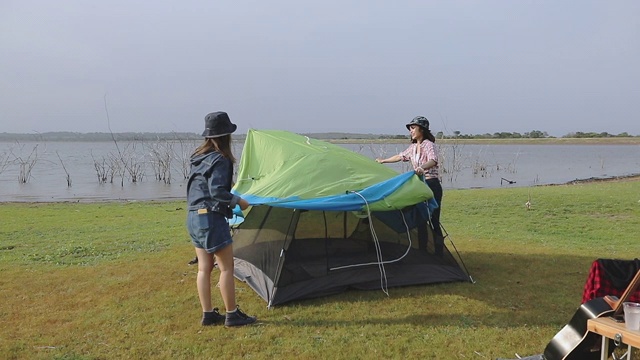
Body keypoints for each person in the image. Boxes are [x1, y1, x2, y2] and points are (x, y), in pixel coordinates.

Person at [186, 111, 257, 327]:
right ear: (226, 135)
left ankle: (208, 314)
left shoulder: (198, 158)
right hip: (210, 218)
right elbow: (217, 191)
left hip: (193, 218)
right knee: (226, 268)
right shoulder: (220, 159)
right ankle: (232, 314)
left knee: (203, 268)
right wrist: (238, 201)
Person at [375, 116, 445, 256]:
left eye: (413, 128)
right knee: (421, 220)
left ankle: (439, 254)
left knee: (434, 220)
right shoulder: (413, 147)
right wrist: (383, 161)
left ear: (422, 129)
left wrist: (421, 167)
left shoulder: (428, 145)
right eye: (410, 129)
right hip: (419, 186)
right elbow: (400, 156)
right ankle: (423, 252)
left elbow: (433, 160)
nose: (411, 131)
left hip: (431, 184)